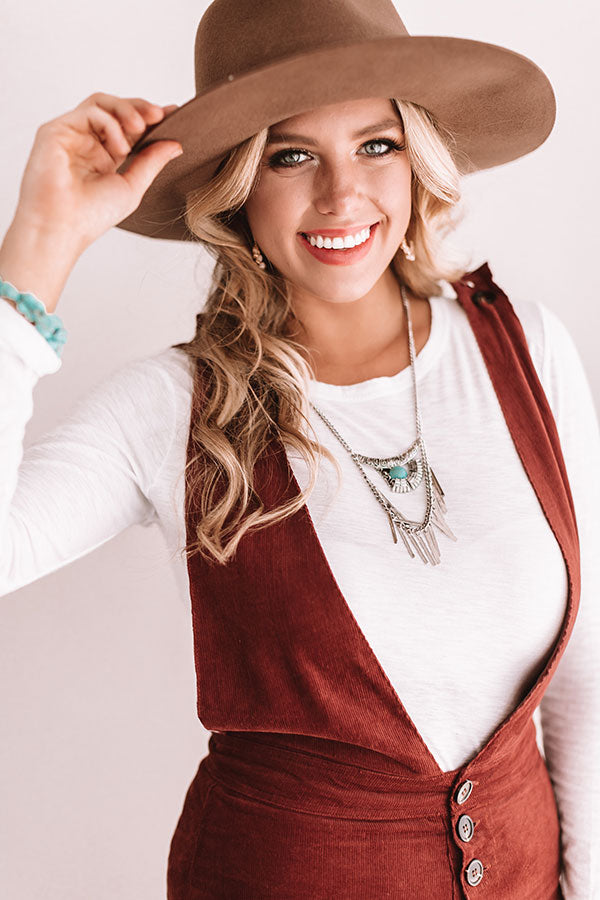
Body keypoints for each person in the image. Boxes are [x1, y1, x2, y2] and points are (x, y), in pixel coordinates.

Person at [1, 1, 598, 897]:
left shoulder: (525, 349)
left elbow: (585, 669)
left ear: (418, 157)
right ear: (238, 183)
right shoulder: (171, 407)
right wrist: (38, 250)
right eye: (290, 156)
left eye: (376, 145)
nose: (341, 195)